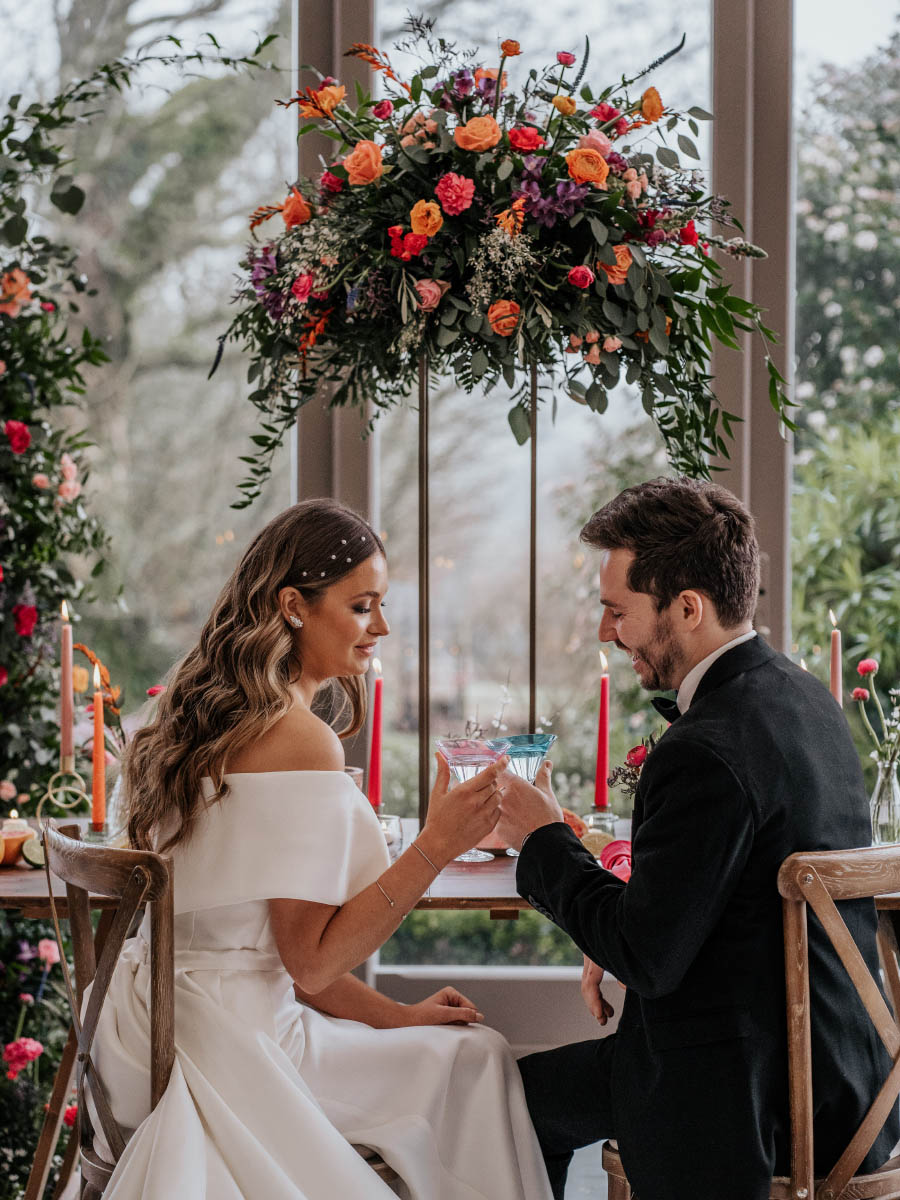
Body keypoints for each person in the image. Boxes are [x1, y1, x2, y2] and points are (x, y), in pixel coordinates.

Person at [92, 499, 553, 1200]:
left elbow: (277, 954)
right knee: (480, 1058)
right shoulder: (298, 736)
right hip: (235, 1043)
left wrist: (398, 1016)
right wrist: (434, 845)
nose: (383, 627)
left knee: (456, 1051)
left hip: (149, 1024)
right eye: (363, 606)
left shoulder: (192, 716)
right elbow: (309, 962)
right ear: (292, 606)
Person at [496, 477, 899, 1200]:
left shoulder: (704, 747)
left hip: (740, 1105)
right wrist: (617, 915)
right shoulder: (808, 702)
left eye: (617, 611)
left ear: (688, 607)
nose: (603, 632)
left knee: (502, 1105)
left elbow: (648, 960)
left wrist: (542, 836)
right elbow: (726, 903)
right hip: (852, 1090)